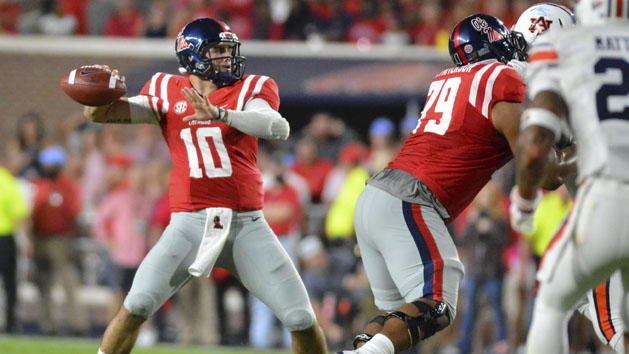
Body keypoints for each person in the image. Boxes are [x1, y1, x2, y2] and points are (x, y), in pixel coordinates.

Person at [83, 17, 327, 354]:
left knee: (301, 319)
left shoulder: (252, 87)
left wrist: (221, 114)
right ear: (192, 55)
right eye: (218, 50)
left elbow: (277, 127)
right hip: (188, 223)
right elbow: (101, 115)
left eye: (229, 49)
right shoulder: (166, 90)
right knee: (136, 306)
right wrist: (96, 94)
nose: (227, 57)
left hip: (246, 225)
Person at [336, 13, 566, 354]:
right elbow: (544, 173)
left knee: (396, 315)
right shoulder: (501, 79)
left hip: (376, 196)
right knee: (438, 304)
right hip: (411, 199)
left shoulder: (446, 79)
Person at [508, 0, 629, 352]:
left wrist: (525, 199)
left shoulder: (562, 50)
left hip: (609, 199)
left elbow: (540, 159)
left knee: (559, 303)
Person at [30, 145, 88, 336]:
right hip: (39, 238)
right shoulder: (38, 184)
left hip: (60, 240)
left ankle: (77, 324)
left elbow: (74, 215)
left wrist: (72, 244)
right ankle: (49, 325)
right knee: (43, 283)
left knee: (68, 281)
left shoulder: (68, 187)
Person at [0, 165, 30, 333]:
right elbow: (19, 214)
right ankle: (10, 322)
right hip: (4, 238)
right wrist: (25, 241)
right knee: (9, 283)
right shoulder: (8, 182)